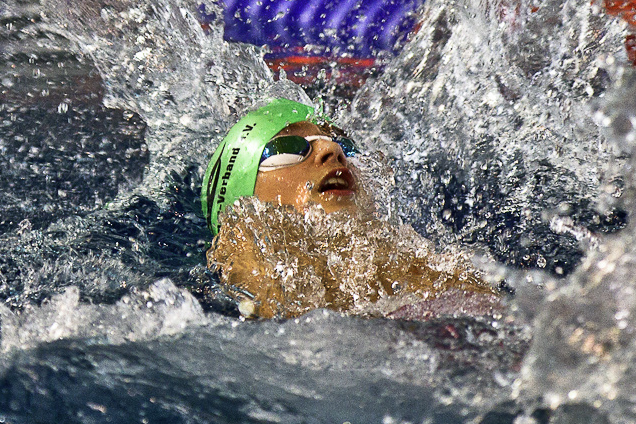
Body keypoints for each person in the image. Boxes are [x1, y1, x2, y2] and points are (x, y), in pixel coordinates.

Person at [201, 98, 504, 320]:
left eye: (345, 147)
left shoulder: (413, 263)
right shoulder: (245, 254)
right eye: (290, 148)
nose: (331, 151)